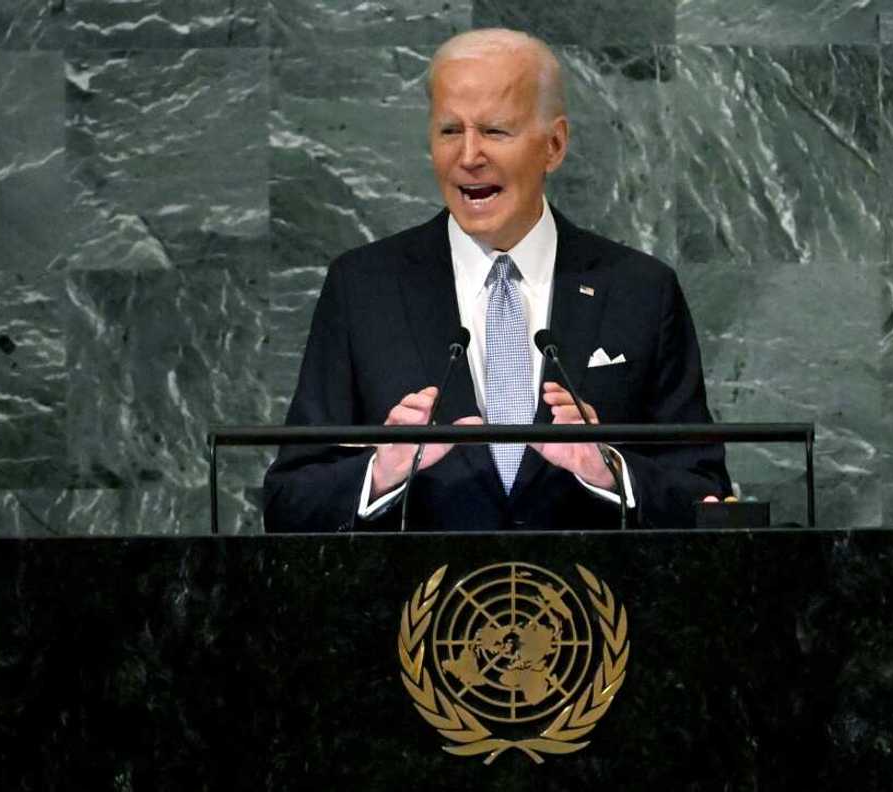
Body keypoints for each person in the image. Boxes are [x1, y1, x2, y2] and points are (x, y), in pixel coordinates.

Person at [264, 28, 730, 533]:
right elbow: (289, 502)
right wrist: (383, 471)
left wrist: (607, 469)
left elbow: (707, 498)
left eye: (495, 131)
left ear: (553, 145)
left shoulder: (640, 290)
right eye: (449, 131)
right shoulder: (363, 288)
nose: (468, 156)